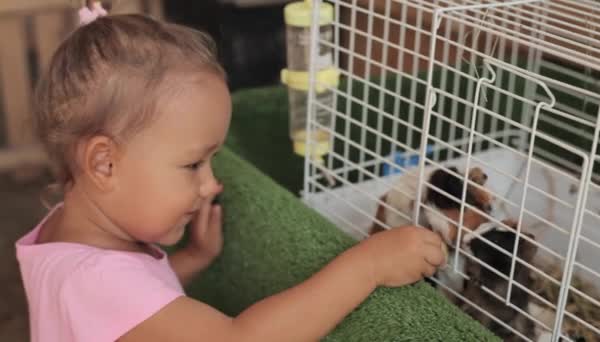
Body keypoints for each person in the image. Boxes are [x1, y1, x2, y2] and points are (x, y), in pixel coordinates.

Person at [16, 3, 446, 341]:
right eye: (192, 164)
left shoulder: (64, 236)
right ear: (104, 164)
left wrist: (189, 260)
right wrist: (367, 266)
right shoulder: (97, 278)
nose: (212, 183)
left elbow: (131, 313)